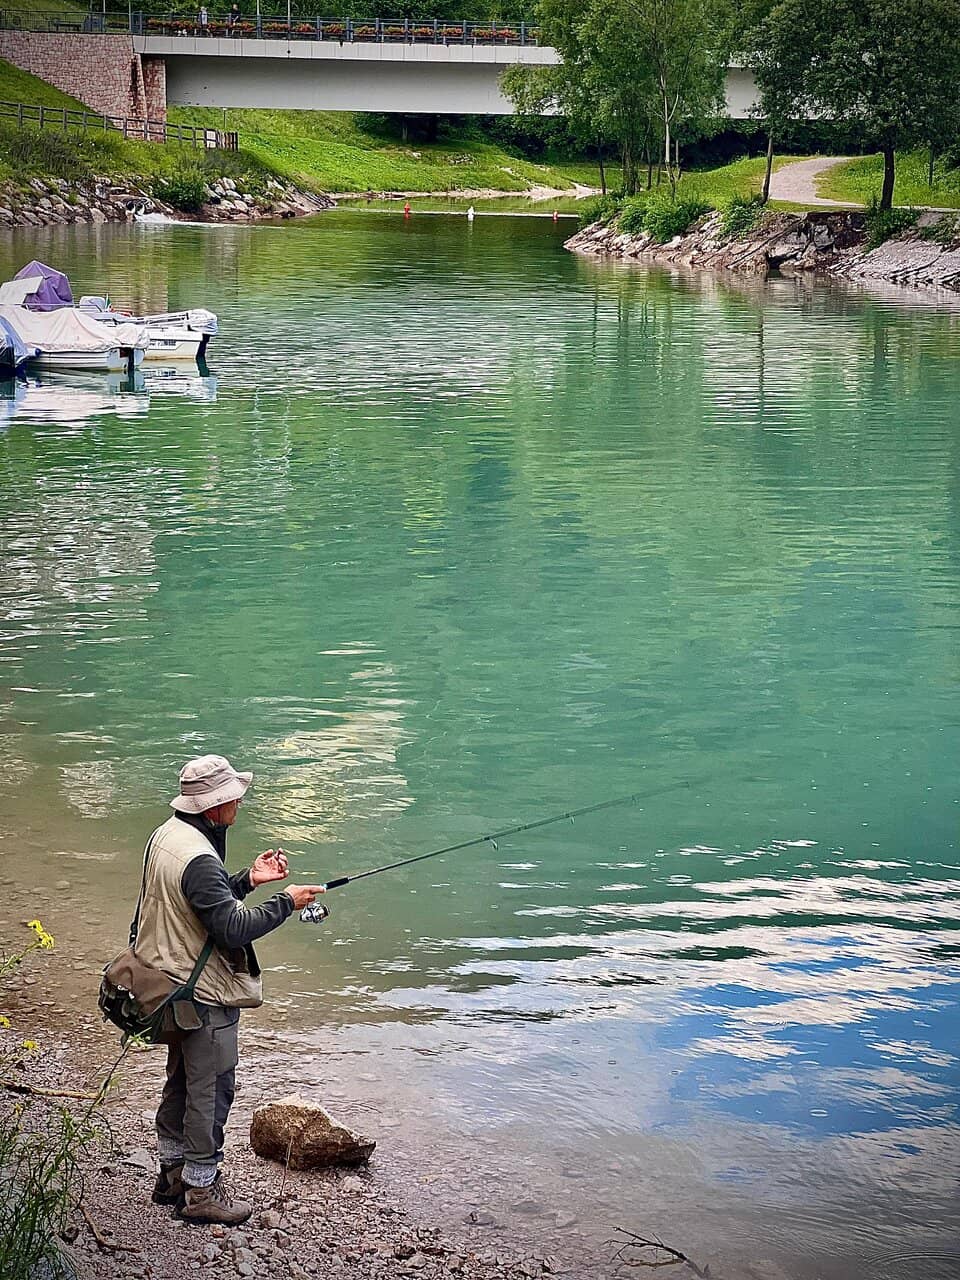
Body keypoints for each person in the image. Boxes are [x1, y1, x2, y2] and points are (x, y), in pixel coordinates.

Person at [134, 754, 325, 1225]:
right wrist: (286, 901)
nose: (240, 801)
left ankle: (172, 1173)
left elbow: (199, 900)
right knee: (212, 1087)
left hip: (165, 979)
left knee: (181, 1078)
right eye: (234, 796)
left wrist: (247, 879)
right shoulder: (199, 855)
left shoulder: (169, 835)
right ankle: (200, 1193)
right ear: (215, 806)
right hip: (201, 993)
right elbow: (233, 929)